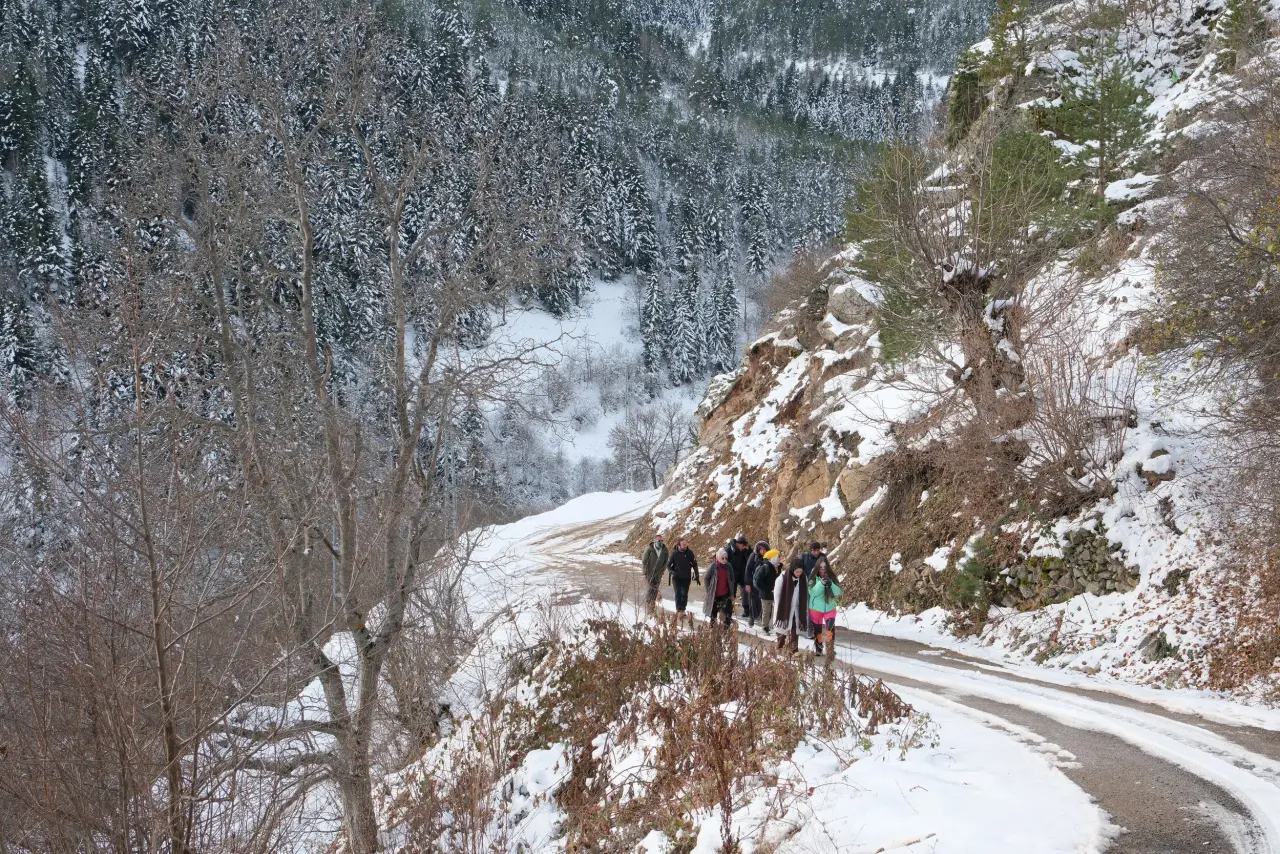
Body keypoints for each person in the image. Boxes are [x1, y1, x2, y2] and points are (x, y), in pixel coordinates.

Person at [773, 558, 809, 652]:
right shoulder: (782, 578)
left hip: (797, 608)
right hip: (785, 607)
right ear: (793, 569)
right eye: (797, 571)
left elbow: (804, 593)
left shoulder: (803, 578)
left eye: (801, 571)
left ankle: (793, 650)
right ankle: (780, 646)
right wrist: (783, 607)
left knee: (794, 629)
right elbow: (777, 595)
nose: (799, 573)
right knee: (783, 628)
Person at [808, 558, 842, 658]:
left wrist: (831, 584)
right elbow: (813, 592)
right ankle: (818, 648)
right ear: (817, 567)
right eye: (821, 567)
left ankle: (830, 649)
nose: (823, 569)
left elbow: (838, 592)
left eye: (825, 567)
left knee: (830, 629)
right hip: (816, 609)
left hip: (830, 607)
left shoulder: (832, 577)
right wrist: (821, 584)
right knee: (817, 631)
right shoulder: (813, 578)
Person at [667, 537, 700, 628]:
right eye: (683, 545)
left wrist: (697, 575)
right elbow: (668, 565)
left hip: (686, 577)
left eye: (686, 544)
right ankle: (679, 610)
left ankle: (682, 610)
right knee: (678, 593)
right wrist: (672, 572)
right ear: (679, 545)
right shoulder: (674, 554)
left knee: (684, 594)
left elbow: (694, 564)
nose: (685, 546)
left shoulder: (690, 553)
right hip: (676, 578)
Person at [702, 548, 736, 627]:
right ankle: (713, 628)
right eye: (722, 558)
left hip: (725, 593)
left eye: (726, 558)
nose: (724, 560)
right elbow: (706, 578)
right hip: (714, 594)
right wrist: (708, 590)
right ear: (718, 558)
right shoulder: (713, 566)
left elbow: (732, 578)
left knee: (726, 612)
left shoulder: (728, 566)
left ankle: (725, 629)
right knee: (713, 612)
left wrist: (731, 590)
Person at [743, 540, 770, 628]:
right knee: (752, 601)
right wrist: (747, 583)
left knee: (763, 602)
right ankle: (751, 618)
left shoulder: (769, 558)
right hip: (753, 582)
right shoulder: (753, 556)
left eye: (764, 549)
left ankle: (763, 620)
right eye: (761, 549)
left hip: (764, 584)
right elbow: (748, 569)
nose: (762, 551)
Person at [725, 534, 752, 623]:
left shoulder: (742, 551)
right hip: (729, 578)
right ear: (738, 544)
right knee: (728, 597)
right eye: (743, 546)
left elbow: (749, 559)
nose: (744, 548)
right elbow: (723, 563)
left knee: (733, 597)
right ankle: (726, 617)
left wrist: (748, 549)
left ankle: (728, 615)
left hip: (739, 577)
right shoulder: (728, 550)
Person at [753, 548, 781, 635]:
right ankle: (764, 628)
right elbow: (758, 580)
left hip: (773, 593)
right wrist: (767, 589)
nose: (780, 558)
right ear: (773, 557)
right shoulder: (766, 567)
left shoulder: (776, 566)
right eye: (778, 556)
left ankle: (767, 627)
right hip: (766, 594)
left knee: (770, 610)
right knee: (766, 611)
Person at [640, 532, 670, 612]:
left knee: (656, 588)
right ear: (655, 541)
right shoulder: (649, 549)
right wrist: (645, 571)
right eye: (659, 541)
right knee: (651, 588)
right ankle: (649, 604)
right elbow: (644, 561)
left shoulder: (664, 549)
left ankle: (652, 603)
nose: (661, 542)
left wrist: (663, 569)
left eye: (662, 541)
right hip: (649, 572)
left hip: (658, 573)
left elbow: (666, 561)